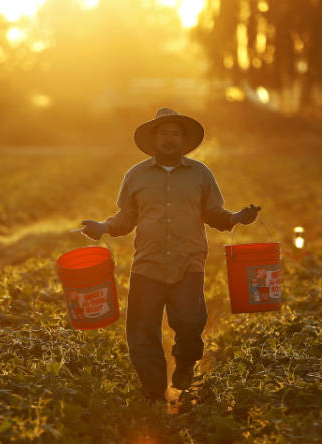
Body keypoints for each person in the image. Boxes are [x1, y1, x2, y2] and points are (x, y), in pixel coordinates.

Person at [80, 108, 260, 403]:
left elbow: (214, 214)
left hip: (188, 260)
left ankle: (185, 372)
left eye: (175, 134)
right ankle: (153, 393)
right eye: (164, 134)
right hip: (147, 263)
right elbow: (126, 218)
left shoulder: (201, 174)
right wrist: (103, 227)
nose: (169, 139)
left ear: (183, 140)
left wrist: (239, 217)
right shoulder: (135, 175)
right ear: (153, 139)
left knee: (190, 322)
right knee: (141, 331)